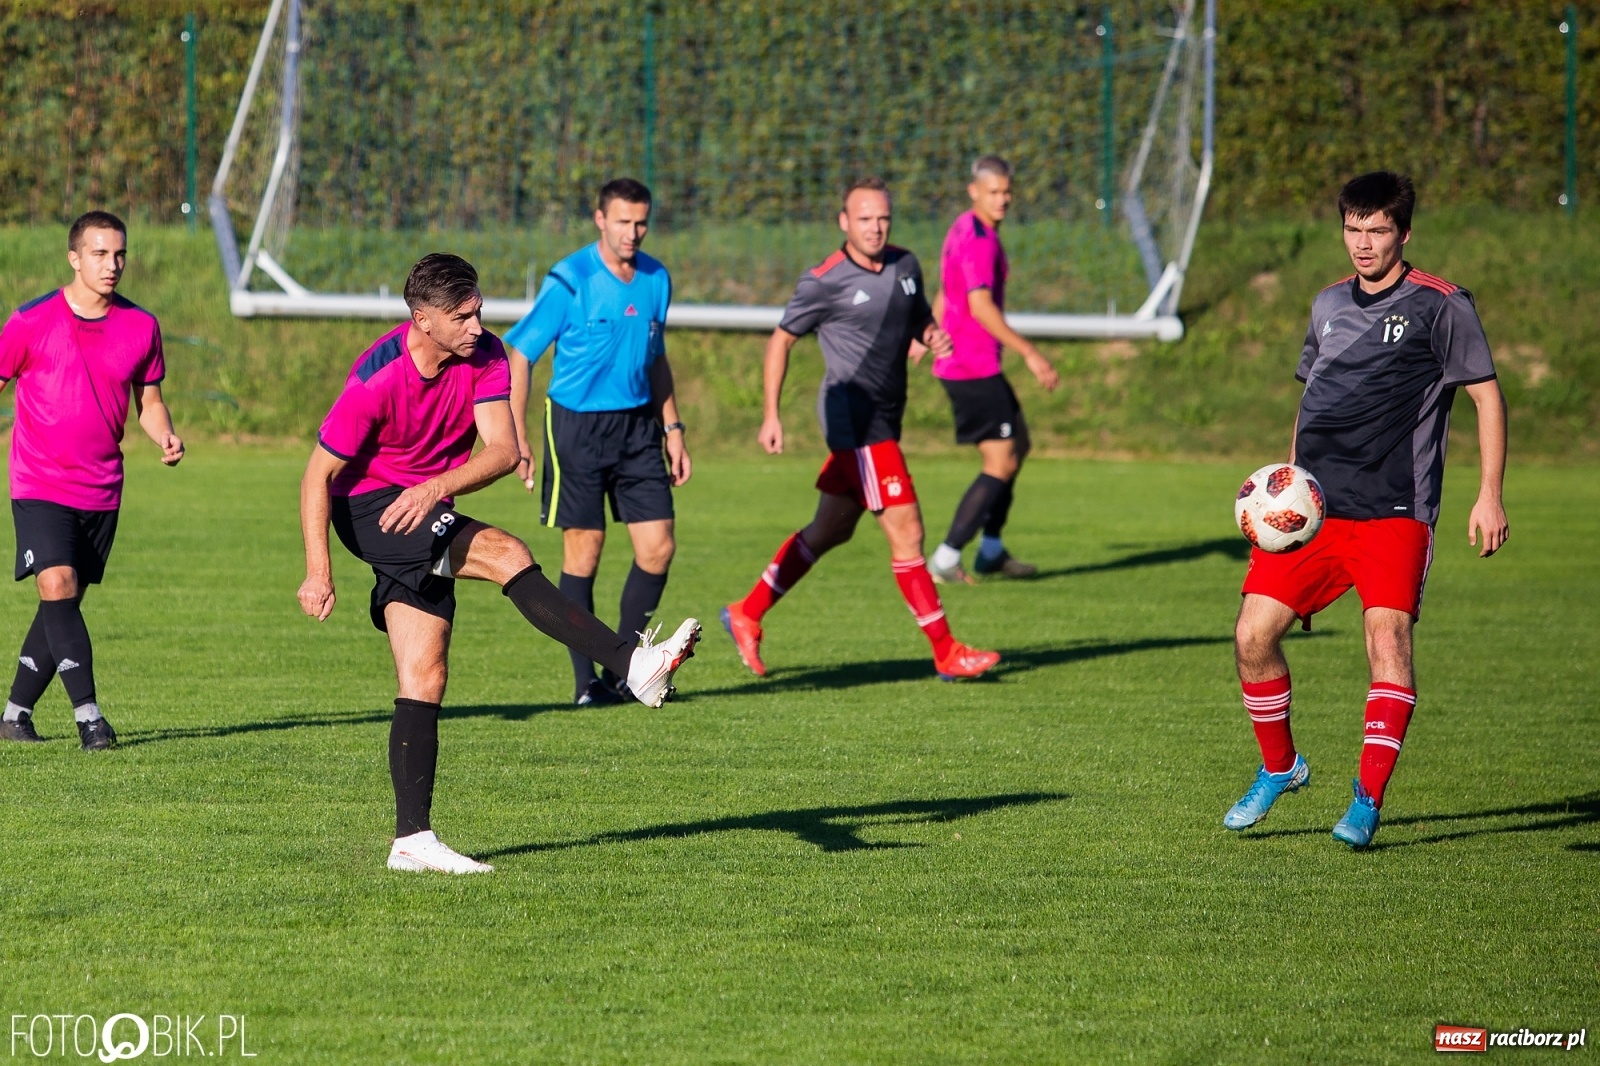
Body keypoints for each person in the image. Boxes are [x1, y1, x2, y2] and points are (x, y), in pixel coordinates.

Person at [299, 253, 700, 875]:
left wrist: (435, 488)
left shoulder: (485, 356)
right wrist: (318, 571)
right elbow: (316, 477)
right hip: (368, 507)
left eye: (479, 310)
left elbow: (504, 450)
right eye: (462, 317)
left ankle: (411, 841)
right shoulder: (376, 378)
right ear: (423, 319)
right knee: (506, 551)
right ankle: (633, 665)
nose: (478, 325)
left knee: (424, 673)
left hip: (423, 502)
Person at [1224, 171, 1509, 849]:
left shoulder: (1442, 305)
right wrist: (1288, 486)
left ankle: (1367, 798)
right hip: (1316, 512)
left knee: (1388, 643)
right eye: (1353, 228)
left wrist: (1489, 493)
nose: (1363, 243)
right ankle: (1281, 767)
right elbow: (1313, 397)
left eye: (1377, 230)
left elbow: (1487, 397)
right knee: (1252, 637)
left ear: (1404, 233)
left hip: (1395, 509)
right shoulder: (1327, 304)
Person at [720, 178, 1001, 681]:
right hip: (856, 421)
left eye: (883, 218)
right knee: (908, 533)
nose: (875, 227)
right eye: (865, 218)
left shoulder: (905, 265)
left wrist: (931, 335)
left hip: (885, 417)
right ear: (844, 222)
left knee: (830, 529)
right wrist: (771, 414)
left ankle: (747, 611)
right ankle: (947, 652)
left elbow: (919, 317)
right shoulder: (823, 281)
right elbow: (781, 341)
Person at [0, 211, 183, 750]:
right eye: (100, 253)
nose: (112, 264)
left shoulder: (141, 326)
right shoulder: (30, 321)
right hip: (38, 481)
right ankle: (90, 719)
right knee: (57, 584)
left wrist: (165, 435)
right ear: (74, 258)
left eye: (119, 254)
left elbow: (150, 401)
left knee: (63, 602)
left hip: (102, 488)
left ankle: (13, 716)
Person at [505, 178, 690, 707]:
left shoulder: (656, 278)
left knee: (658, 548)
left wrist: (673, 429)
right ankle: (587, 683)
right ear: (600, 219)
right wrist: (517, 436)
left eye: (641, 222)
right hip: (577, 428)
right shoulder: (570, 280)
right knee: (584, 551)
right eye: (623, 221)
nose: (633, 232)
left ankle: (629, 671)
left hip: (638, 428)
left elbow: (656, 357)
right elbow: (521, 354)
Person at [923, 155, 1060, 585]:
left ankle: (992, 550)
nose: (1002, 199)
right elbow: (980, 306)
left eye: (1007, 191)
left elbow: (947, 289)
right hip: (971, 365)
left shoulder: (963, 227)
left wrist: (926, 330)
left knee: (1019, 444)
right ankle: (946, 558)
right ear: (974, 191)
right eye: (993, 192)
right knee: (1000, 462)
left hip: (968, 362)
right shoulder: (980, 241)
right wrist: (1030, 353)